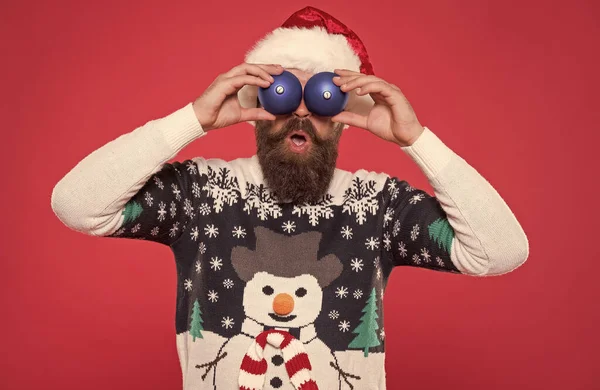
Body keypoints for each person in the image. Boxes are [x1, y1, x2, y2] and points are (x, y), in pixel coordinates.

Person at [51, 6, 529, 390]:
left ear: (343, 115)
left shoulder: (379, 205)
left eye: (321, 98)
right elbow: (76, 204)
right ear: (260, 106)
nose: (300, 113)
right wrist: (192, 120)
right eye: (284, 94)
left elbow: (501, 251)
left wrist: (417, 140)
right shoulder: (200, 195)